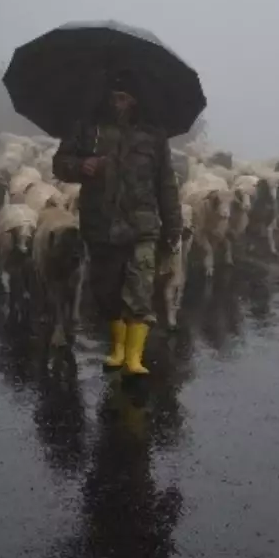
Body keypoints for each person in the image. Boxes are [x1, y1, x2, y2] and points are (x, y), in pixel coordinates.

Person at [53, 68, 183, 375]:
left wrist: (173, 226)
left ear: (135, 100)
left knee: (141, 288)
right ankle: (118, 347)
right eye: (113, 97)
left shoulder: (153, 135)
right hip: (101, 223)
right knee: (106, 290)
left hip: (142, 225)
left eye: (123, 98)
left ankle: (134, 357)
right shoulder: (87, 128)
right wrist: (80, 164)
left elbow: (166, 183)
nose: (117, 103)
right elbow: (60, 164)